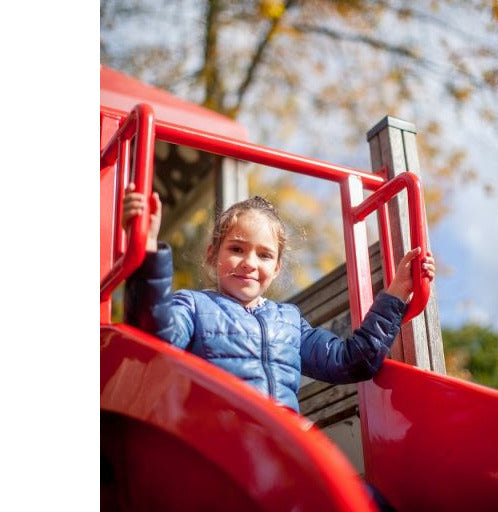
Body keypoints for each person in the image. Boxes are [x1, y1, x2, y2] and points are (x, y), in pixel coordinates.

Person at [123, 184, 435, 512]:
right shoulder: (193, 306)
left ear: (276, 267)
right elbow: (154, 334)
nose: (249, 262)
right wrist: (147, 251)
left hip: (284, 449)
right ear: (212, 254)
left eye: (264, 254)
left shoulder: (288, 320)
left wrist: (397, 293)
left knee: (365, 501)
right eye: (237, 248)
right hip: (221, 447)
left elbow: (352, 360)